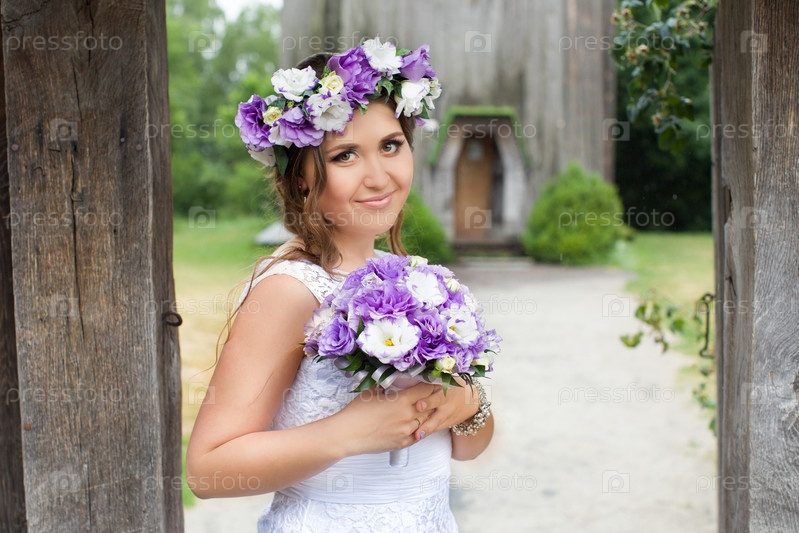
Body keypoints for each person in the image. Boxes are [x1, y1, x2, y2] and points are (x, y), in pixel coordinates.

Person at [185, 38, 494, 532]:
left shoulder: (416, 280)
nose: (379, 177)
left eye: (391, 146)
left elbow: (467, 449)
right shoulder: (291, 290)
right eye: (345, 155)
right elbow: (208, 471)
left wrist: (469, 402)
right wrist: (347, 433)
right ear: (302, 177)